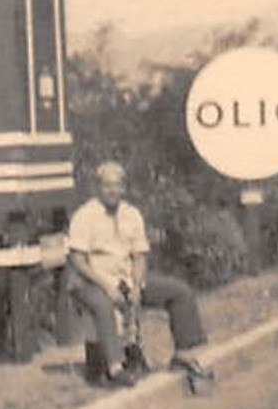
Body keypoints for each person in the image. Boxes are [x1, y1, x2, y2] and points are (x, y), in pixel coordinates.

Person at [67, 162, 210, 387]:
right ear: (97, 187)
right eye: (107, 185)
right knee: (104, 305)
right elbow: (78, 261)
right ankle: (115, 368)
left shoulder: (131, 214)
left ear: (124, 188)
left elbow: (140, 256)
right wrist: (106, 284)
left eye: (117, 185)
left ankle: (183, 354)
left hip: (124, 279)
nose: (112, 191)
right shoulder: (85, 215)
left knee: (179, 292)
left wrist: (136, 284)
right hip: (90, 281)